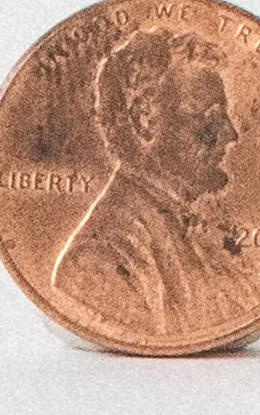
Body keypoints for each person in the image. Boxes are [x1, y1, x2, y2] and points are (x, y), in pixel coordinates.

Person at [51, 22, 238, 331]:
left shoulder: (192, 235)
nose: (230, 134)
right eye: (211, 119)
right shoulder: (99, 258)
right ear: (145, 120)